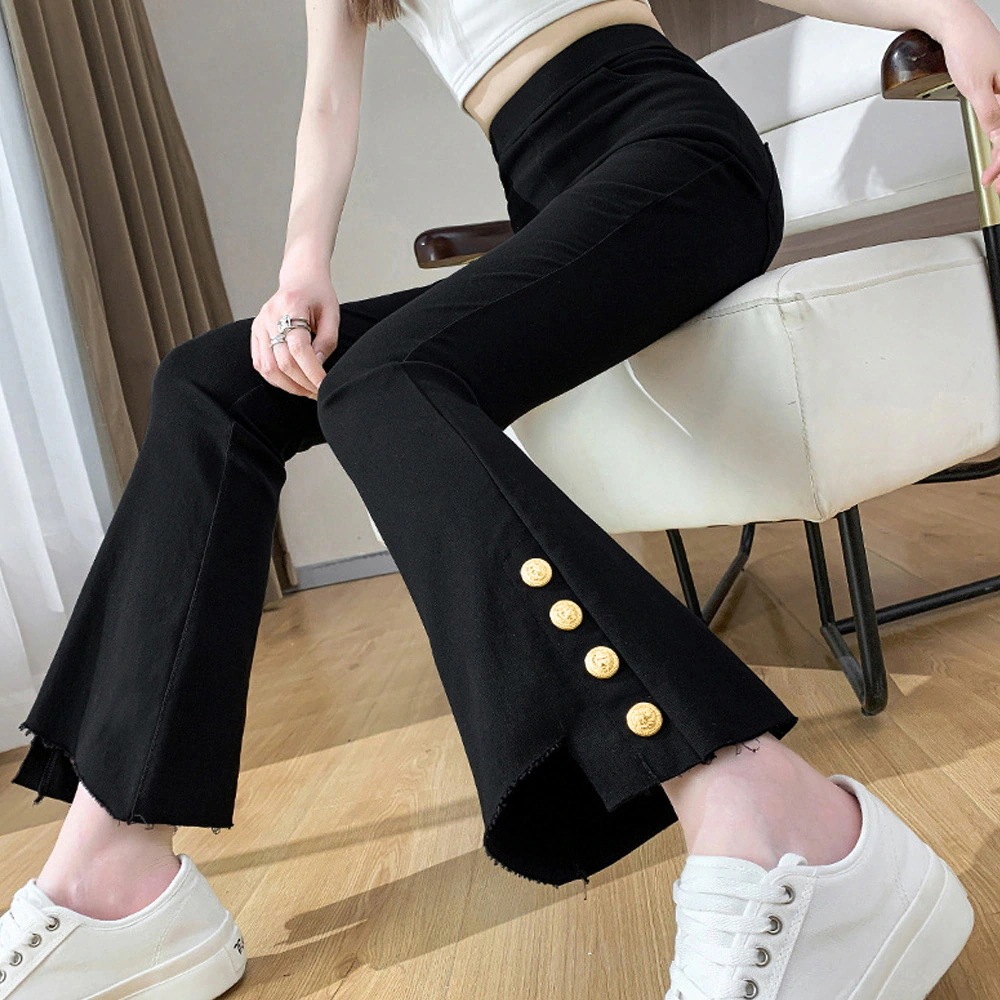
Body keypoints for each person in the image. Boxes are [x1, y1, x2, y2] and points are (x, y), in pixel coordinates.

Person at [2, 0, 997, 996]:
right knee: (211, 385)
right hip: (555, 201)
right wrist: (302, 266)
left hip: (676, 155)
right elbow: (326, 103)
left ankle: (771, 817)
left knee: (381, 385)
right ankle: (116, 868)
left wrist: (949, 13)